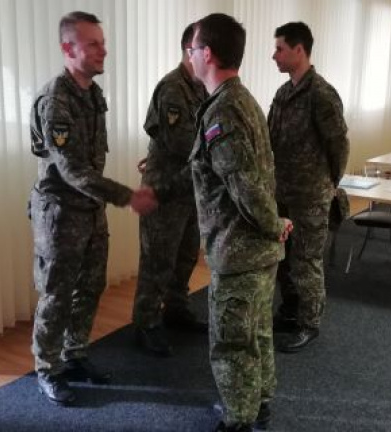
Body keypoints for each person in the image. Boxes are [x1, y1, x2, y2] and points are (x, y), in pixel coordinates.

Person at [28, 11, 158, 406]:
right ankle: (47, 368)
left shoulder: (92, 94)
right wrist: (127, 196)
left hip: (90, 210)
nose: (104, 50)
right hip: (60, 214)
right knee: (56, 294)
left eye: (103, 42)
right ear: (68, 49)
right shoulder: (55, 101)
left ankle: (76, 353)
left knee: (90, 286)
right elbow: (71, 170)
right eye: (93, 44)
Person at [188, 13, 293, 432]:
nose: (190, 56)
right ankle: (258, 403)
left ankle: (238, 420)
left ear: (208, 53)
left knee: (233, 343)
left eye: (193, 48)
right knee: (258, 332)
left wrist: (274, 224)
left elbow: (246, 188)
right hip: (256, 249)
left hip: (240, 250)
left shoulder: (224, 112)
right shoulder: (241, 99)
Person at [268, 22, 349, 353]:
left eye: (280, 49)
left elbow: (338, 146)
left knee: (306, 260)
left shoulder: (321, 94)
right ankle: (290, 311)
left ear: (299, 50)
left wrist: (328, 183)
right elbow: (271, 139)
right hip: (282, 193)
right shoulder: (283, 94)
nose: (274, 55)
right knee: (283, 259)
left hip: (311, 196)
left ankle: (309, 322)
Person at [132, 24, 209, 357]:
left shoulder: (202, 88)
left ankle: (176, 309)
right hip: (164, 192)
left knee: (186, 254)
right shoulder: (173, 88)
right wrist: (220, 150)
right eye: (204, 47)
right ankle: (146, 322)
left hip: (190, 190)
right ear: (189, 50)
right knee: (158, 260)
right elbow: (184, 143)